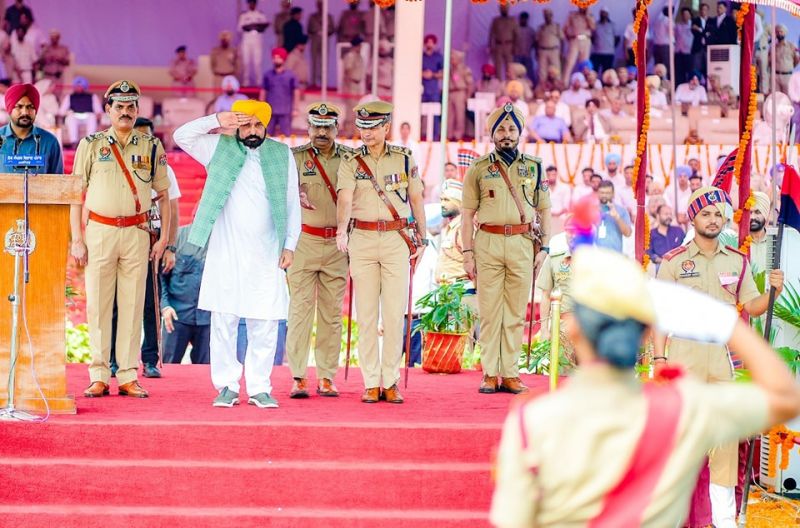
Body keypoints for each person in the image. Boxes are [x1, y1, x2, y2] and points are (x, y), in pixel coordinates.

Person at [491, 244, 800, 528]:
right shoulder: (683, 408)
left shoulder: (532, 422)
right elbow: (786, 397)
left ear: (573, 330)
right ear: (646, 335)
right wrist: (724, 321)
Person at [656, 186, 785, 528]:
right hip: (684, 356)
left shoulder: (737, 260)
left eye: (718, 214)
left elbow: (753, 306)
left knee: (725, 441)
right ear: (693, 217)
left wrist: (773, 291)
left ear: (725, 218)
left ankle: (724, 517)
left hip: (724, 356)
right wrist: (657, 359)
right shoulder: (672, 262)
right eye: (706, 213)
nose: (713, 219)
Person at [173, 100, 301, 409]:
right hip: (225, 251)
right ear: (236, 126)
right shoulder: (218, 146)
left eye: (258, 125)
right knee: (224, 319)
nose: (253, 131)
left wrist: (290, 245)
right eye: (246, 125)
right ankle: (227, 386)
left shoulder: (281, 154)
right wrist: (218, 119)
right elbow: (181, 136)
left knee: (265, 321)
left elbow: (292, 202)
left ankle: (259, 387)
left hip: (267, 252)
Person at [71, 80, 171, 399]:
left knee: (131, 304)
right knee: (99, 304)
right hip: (99, 231)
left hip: (137, 233)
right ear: (107, 111)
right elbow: (76, 194)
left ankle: (128, 373)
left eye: (131, 107)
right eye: (119, 107)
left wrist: (164, 239)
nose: (125, 112)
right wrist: (77, 238)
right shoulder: (90, 144)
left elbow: (165, 196)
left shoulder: (151, 146)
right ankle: (99, 373)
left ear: (138, 110)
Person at [335, 100, 426, 404]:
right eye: (362, 128)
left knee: (394, 313)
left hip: (395, 239)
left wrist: (422, 237)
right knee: (367, 315)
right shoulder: (351, 160)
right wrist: (340, 229)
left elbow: (416, 198)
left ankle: (391, 380)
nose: (367, 133)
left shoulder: (403, 158)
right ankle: (371, 381)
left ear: (386, 127)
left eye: (372, 127)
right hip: (361, 237)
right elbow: (345, 198)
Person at [462, 104, 551, 395]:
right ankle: (490, 373)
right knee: (489, 312)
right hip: (487, 242)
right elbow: (466, 214)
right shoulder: (478, 168)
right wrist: (467, 254)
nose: (507, 134)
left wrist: (545, 247)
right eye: (501, 129)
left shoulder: (535, 167)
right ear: (492, 133)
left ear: (520, 132)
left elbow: (545, 209)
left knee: (514, 312)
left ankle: (510, 374)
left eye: (512, 129)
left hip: (522, 245)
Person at [108, 116, 182, 379]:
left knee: (150, 302)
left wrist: (170, 246)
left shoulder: (163, 168)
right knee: (117, 301)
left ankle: (150, 360)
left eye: (147, 136)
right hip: (122, 234)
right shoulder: (116, 164)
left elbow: (173, 209)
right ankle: (114, 361)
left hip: (152, 237)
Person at [287, 103, 351, 399]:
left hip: (338, 245)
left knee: (331, 315)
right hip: (304, 242)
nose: (322, 132)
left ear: (337, 129)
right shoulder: (295, 159)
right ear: (308, 128)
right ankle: (298, 376)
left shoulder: (350, 159)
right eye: (317, 127)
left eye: (328, 127)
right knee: (299, 311)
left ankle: (326, 376)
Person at [160, 224, 210, 365]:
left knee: (206, 374)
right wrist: (165, 306)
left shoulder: (226, 241)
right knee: (168, 369)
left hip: (209, 320)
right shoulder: (176, 238)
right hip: (177, 317)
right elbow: (160, 277)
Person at [0, 82, 62, 174]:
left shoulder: (50, 141)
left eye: (30, 107)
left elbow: (58, 182)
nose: (25, 112)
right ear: (10, 109)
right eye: (19, 107)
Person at [260, 47, 298, 136]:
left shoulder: (291, 75)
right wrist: (260, 108)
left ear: (283, 59)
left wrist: (296, 109)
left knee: (286, 136)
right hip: (270, 111)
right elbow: (263, 91)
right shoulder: (267, 75)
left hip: (285, 111)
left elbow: (296, 92)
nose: (276, 60)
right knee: (267, 136)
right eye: (274, 58)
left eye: (278, 57)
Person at [59, 76, 103, 148]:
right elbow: (61, 111)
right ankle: (74, 142)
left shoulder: (92, 96)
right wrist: (68, 113)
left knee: (92, 117)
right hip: (74, 116)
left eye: (81, 86)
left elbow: (98, 110)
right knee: (71, 118)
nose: (79, 87)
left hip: (88, 116)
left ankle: (90, 142)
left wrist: (98, 116)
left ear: (84, 86)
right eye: (77, 86)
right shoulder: (69, 97)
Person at [238, 0, 269, 87]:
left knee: (257, 62)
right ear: (248, 4)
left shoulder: (261, 14)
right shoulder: (244, 15)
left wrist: (255, 26)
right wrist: (250, 26)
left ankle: (259, 82)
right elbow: (239, 28)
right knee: (246, 62)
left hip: (257, 40)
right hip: (247, 40)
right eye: (250, 3)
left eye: (253, 3)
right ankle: (245, 82)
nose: (252, 5)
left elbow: (264, 26)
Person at [596, 181, 632, 253]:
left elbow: (628, 233)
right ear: (597, 193)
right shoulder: (589, 210)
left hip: (615, 255)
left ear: (613, 194)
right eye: (602, 192)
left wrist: (617, 217)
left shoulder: (621, 211)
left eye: (608, 193)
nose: (604, 195)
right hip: (594, 255)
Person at [562, 6, 594, 85]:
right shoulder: (572, 15)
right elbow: (564, 28)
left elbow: (593, 27)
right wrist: (568, 38)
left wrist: (587, 15)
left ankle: (584, 84)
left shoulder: (590, 15)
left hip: (586, 40)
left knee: (585, 65)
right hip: (575, 40)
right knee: (569, 63)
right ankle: (564, 84)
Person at [647, 204, 685, 268]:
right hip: (660, 265)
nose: (669, 216)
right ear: (658, 216)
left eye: (670, 214)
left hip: (679, 265)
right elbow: (649, 253)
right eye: (666, 214)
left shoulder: (678, 231)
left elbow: (687, 247)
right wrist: (663, 262)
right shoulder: (651, 234)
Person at [308, 0, 335, 88]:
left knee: (324, 61)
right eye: (319, 5)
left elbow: (332, 29)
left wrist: (326, 32)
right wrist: (316, 32)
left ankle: (323, 82)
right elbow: (308, 29)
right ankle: (313, 81)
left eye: (322, 5)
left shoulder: (328, 17)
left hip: (325, 39)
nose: (320, 6)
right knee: (314, 60)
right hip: (315, 39)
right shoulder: (312, 17)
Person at [448, 50, 473, 141]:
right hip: (450, 92)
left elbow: (470, 84)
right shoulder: (449, 69)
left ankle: (458, 135)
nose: (451, 60)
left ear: (458, 59)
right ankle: (449, 134)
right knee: (450, 115)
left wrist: (468, 96)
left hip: (460, 92)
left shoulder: (464, 69)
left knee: (459, 115)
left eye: (453, 58)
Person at [488, 4, 517, 82]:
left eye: (505, 8)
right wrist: (490, 46)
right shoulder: (496, 20)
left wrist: (515, 47)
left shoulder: (513, 20)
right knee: (498, 67)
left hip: (509, 46)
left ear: (508, 9)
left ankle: (509, 85)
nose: (504, 10)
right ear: (500, 9)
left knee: (510, 67)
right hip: (498, 46)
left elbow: (516, 34)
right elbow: (491, 34)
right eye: (502, 8)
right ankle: (499, 85)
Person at [536, 9, 563, 85]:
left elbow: (562, 40)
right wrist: (536, 52)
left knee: (556, 69)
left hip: (554, 50)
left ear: (552, 16)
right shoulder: (541, 27)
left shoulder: (556, 26)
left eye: (549, 15)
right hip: (543, 50)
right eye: (545, 16)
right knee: (542, 71)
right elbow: (537, 41)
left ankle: (557, 86)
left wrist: (561, 51)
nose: (547, 17)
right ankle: (542, 87)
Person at [771, 24, 799, 95]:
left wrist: (788, 67)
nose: (779, 33)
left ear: (785, 33)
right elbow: (769, 61)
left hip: (787, 76)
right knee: (777, 99)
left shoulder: (791, 46)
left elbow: (797, 59)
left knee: (788, 98)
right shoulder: (773, 47)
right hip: (776, 76)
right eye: (777, 32)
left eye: (781, 32)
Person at [749, 191, 771, 273]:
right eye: (749, 212)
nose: (753, 217)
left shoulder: (775, 241)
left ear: (766, 215)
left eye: (757, 212)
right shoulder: (736, 241)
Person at [590, 8, 615, 74]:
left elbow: (616, 38)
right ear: (600, 14)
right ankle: (595, 84)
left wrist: (610, 46)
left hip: (608, 53)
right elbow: (592, 37)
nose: (603, 14)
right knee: (594, 71)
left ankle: (606, 84)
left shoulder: (612, 25)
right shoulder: (595, 25)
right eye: (602, 13)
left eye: (605, 13)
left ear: (607, 14)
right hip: (596, 53)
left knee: (607, 73)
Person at [514, 12, 536, 85]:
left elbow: (535, 42)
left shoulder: (531, 30)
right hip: (517, 55)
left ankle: (534, 87)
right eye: (522, 19)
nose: (523, 20)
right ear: (520, 19)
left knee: (530, 73)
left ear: (527, 19)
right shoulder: (516, 29)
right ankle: (516, 87)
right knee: (516, 73)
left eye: (525, 19)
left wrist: (530, 49)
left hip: (527, 55)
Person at [421, 34, 444, 104]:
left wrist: (432, 75)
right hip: (422, 89)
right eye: (428, 42)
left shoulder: (438, 57)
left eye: (431, 42)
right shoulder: (421, 56)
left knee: (434, 110)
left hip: (434, 91)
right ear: (425, 44)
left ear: (434, 44)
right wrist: (422, 74)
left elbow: (444, 74)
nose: (429, 44)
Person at [675, 8, 694, 84]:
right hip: (678, 51)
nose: (685, 16)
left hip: (688, 52)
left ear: (690, 15)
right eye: (684, 14)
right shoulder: (678, 26)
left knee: (689, 71)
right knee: (679, 72)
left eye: (687, 14)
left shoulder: (693, 25)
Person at [692, 3, 712, 76]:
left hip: (707, 47)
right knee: (696, 67)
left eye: (705, 10)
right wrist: (705, 32)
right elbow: (694, 32)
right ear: (700, 11)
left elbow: (711, 33)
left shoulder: (711, 20)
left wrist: (699, 29)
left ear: (708, 11)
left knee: (708, 66)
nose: (704, 11)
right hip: (698, 47)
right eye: (702, 9)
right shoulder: (695, 20)